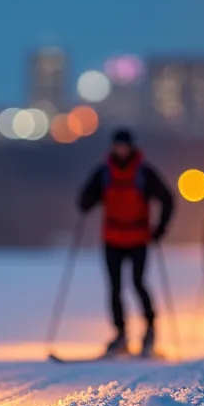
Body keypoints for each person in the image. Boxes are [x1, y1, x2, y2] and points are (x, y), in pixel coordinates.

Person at [77, 129, 175, 357]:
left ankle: (149, 329)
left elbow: (167, 199)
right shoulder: (104, 172)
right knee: (115, 287)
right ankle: (121, 333)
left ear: (130, 147)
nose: (120, 149)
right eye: (117, 145)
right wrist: (85, 202)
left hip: (138, 238)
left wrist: (160, 228)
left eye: (124, 145)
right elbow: (86, 197)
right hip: (112, 239)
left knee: (138, 283)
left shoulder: (144, 172)